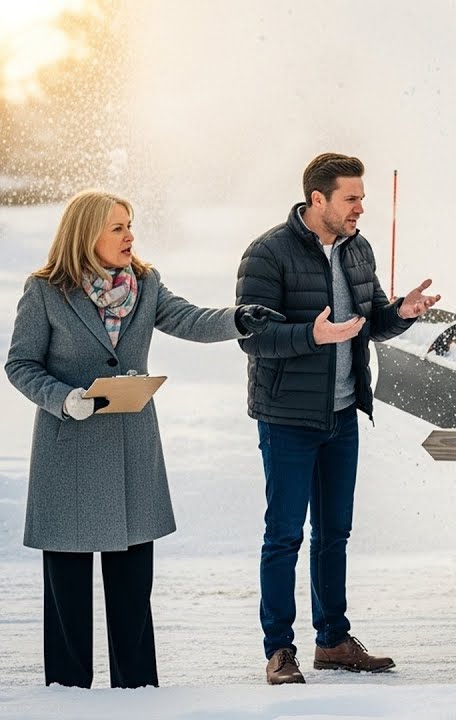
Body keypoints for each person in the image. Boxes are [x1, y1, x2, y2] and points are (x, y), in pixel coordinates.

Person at [5, 190, 282, 688]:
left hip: (132, 451)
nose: (130, 235)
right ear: (86, 234)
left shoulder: (146, 284)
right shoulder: (45, 290)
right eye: (117, 227)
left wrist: (238, 319)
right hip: (69, 449)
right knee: (67, 586)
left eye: (129, 224)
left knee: (133, 584)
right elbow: (20, 364)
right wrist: (64, 398)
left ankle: (137, 689)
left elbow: (188, 318)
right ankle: (67, 693)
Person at [236, 152, 440, 685]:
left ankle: (333, 640)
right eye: (351, 199)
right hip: (287, 418)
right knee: (284, 536)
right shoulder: (268, 254)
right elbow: (252, 336)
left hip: (342, 413)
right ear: (318, 199)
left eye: (362, 199)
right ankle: (279, 650)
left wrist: (400, 314)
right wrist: (313, 336)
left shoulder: (358, 249)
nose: (360, 209)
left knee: (334, 533)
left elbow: (369, 320)